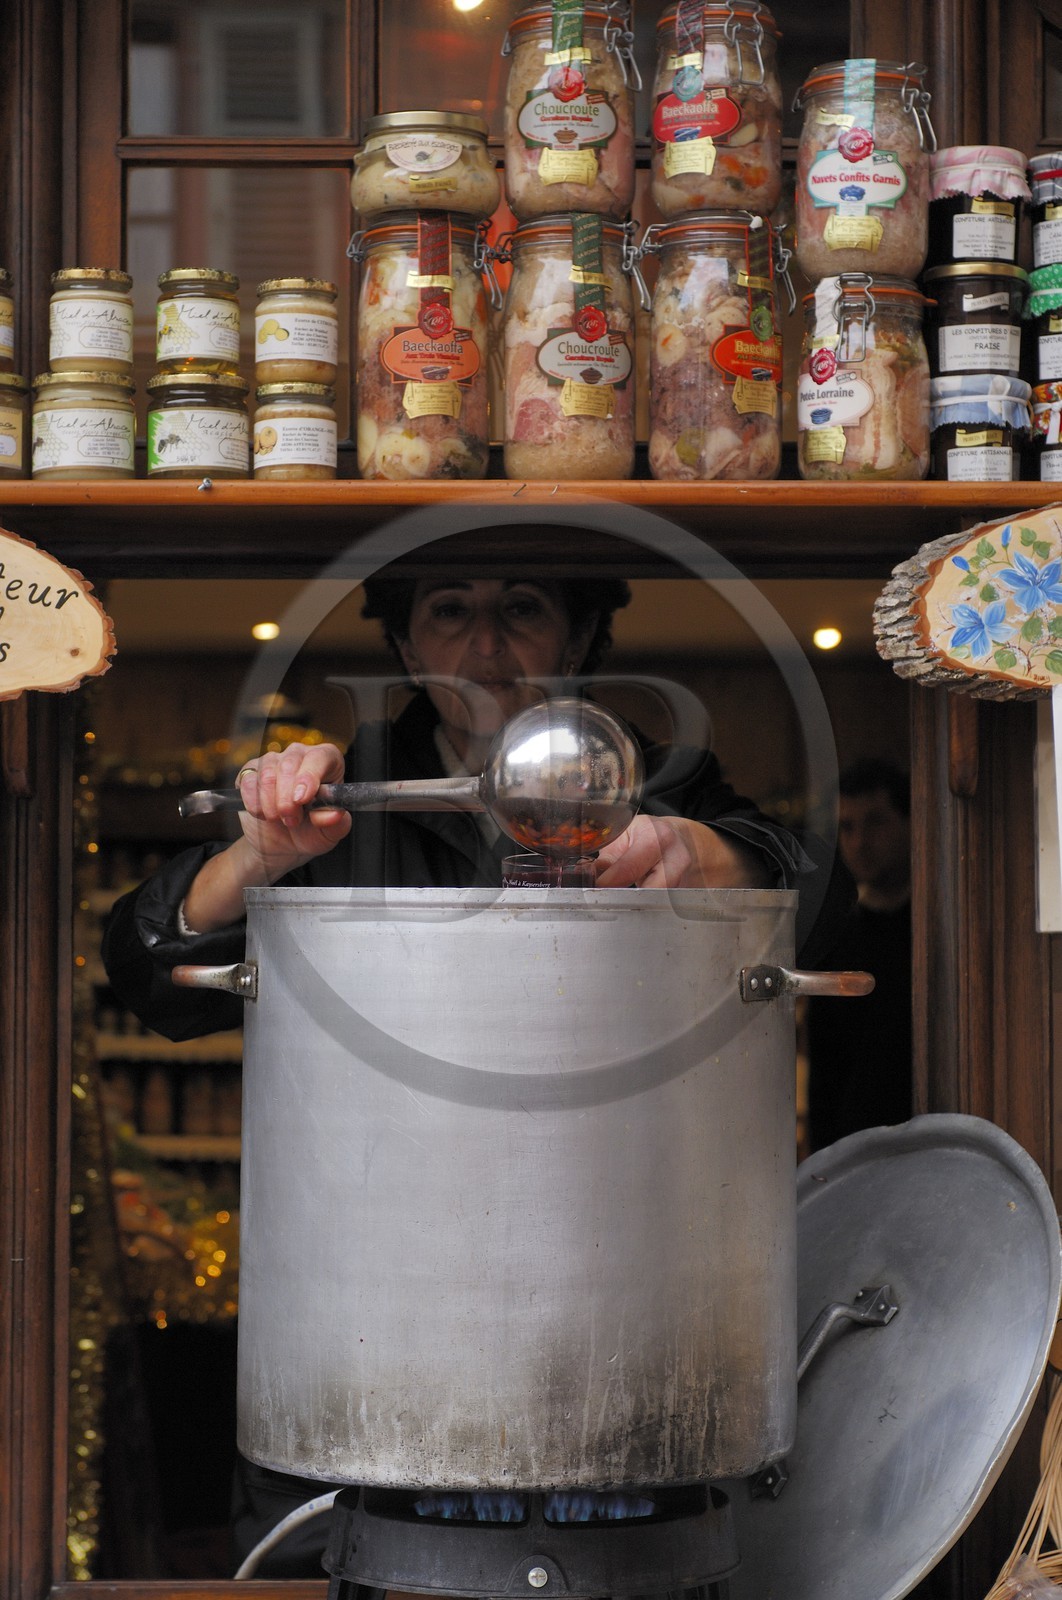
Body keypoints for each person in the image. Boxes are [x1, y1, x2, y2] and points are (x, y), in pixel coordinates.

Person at [101, 571, 848, 1575]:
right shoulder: (337, 798)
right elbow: (146, 976)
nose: (485, 645)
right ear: (408, 647)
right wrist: (254, 858)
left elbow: (829, 901)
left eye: (523, 608)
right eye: (449, 611)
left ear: (579, 637)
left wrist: (710, 857)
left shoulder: (665, 780)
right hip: (369, 1350)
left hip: (623, 1348)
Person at [805, 757, 913, 1154]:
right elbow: (825, 1068)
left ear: (909, 823)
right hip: (855, 1147)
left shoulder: (933, 928)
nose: (859, 842)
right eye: (847, 827)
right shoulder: (837, 937)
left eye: (876, 823)